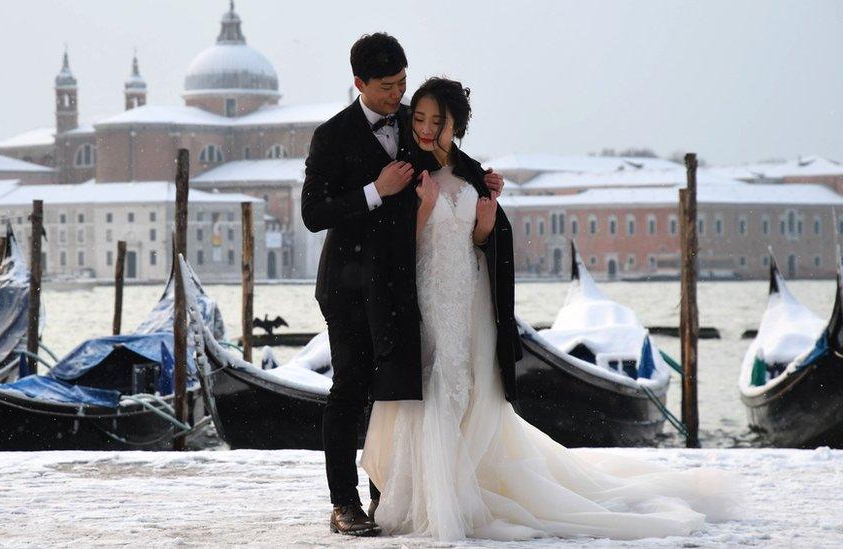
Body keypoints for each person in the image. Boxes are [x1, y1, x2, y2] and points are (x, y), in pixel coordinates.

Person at [360, 77, 741, 542]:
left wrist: (483, 226)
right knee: (434, 384)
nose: (424, 129)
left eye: (437, 121)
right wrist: (423, 208)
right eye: (418, 118)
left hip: (468, 296)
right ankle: (427, 495)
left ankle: (464, 485)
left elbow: (482, 244)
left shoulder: (475, 173)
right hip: (424, 294)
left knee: (466, 387)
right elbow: (398, 249)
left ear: (456, 125)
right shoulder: (406, 173)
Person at [301, 35, 506, 537]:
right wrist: (377, 190)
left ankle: (388, 498)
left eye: (403, 83)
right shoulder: (331, 136)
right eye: (388, 87)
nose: (399, 95)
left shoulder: (416, 119)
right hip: (348, 284)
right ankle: (344, 502)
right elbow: (313, 214)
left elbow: (451, 155)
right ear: (359, 84)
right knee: (350, 387)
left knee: (394, 393)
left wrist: (485, 181)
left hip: (400, 284)